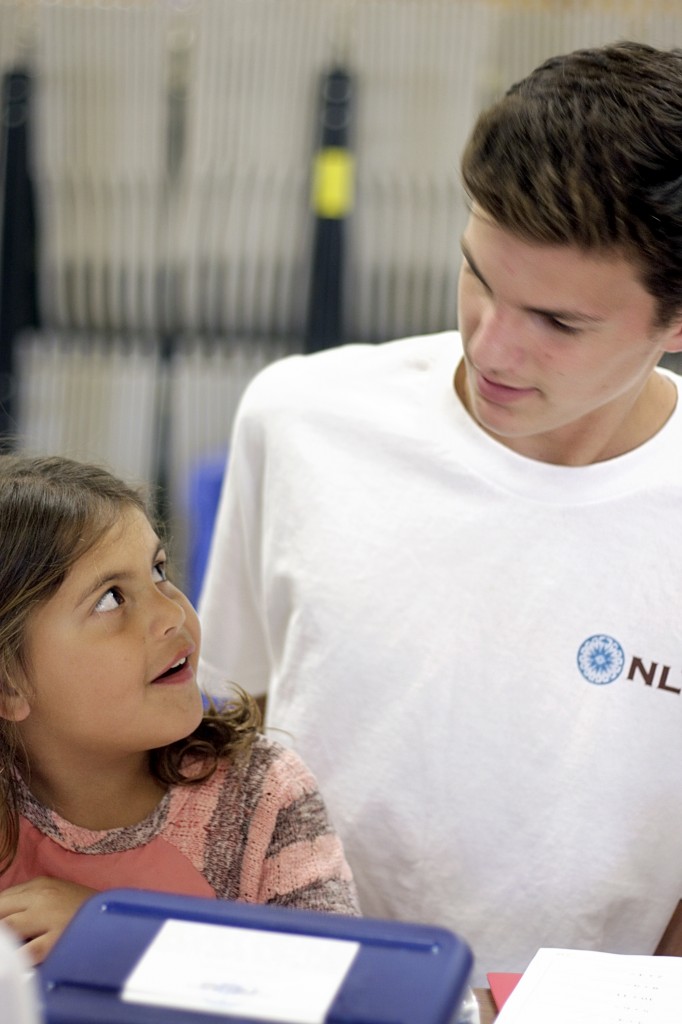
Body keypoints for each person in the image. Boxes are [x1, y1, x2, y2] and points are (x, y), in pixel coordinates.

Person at [198, 40, 682, 983]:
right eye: (478, 277)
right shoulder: (300, 418)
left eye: (559, 322)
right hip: (293, 990)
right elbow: (223, 734)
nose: (494, 346)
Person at [0, 455, 359, 965]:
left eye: (159, 570)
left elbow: (338, 982)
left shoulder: (261, 794)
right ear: (8, 685)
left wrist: (122, 933)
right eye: (110, 600)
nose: (174, 613)